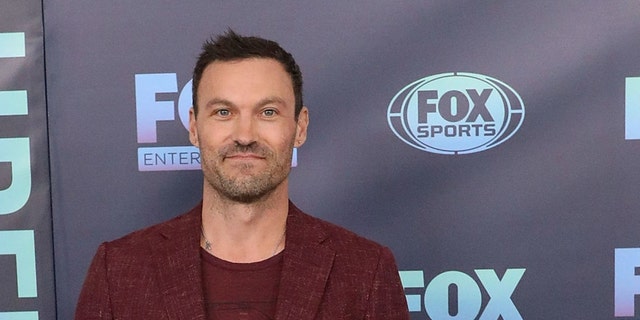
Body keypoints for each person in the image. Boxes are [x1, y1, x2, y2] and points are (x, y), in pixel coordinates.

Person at [75, 29, 409, 320]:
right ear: (194, 126)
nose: (245, 134)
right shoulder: (119, 269)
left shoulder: (366, 270)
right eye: (223, 112)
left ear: (300, 126)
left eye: (267, 112)